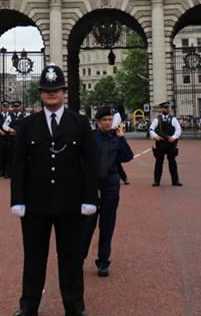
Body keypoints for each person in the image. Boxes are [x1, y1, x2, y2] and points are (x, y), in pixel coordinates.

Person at [10, 64, 98, 316]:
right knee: (33, 258)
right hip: (35, 203)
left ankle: (74, 306)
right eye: (47, 90)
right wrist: (17, 200)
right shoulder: (27, 125)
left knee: (70, 258)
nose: (52, 94)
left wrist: (90, 198)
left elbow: (90, 165)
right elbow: (18, 166)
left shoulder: (80, 123)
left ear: (64, 92)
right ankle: (28, 306)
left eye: (56, 90)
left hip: (70, 203)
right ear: (41, 93)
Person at [81, 105, 133, 278]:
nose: (108, 123)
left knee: (108, 223)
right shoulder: (91, 138)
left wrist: (122, 138)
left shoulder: (116, 139)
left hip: (111, 181)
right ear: (98, 122)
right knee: (88, 222)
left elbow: (127, 157)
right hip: (93, 182)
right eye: (104, 120)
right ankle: (79, 257)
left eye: (110, 119)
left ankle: (103, 261)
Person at [149, 102, 182, 186]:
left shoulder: (173, 119)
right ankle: (157, 181)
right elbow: (151, 129)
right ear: (161, 109)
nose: (166, 109)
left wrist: (173, 137)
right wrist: (156, 136)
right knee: (159, 162)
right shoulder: (157, 119)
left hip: (171, 144)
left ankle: (175, 181)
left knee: (172, 162)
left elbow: (178, 130)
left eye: (167, 108)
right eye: (164, 108)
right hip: (160, 143)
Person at [110, 105, 130, 185]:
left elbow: (114, 125)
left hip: (114, 136)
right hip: (106, 135)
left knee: (116, 160)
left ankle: (124, 177)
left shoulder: (116, 114)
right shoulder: (105, 113)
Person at [0, 102, 12, 178]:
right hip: (1, 138)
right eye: (4, 107)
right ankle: (0, 171)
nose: (5, 108)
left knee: (8, 155)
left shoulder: (11, 116)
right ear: (1, 108)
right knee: (1, 154)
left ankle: (7, 172)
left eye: (7, 107)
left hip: (9, 138)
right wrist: (0, 131)